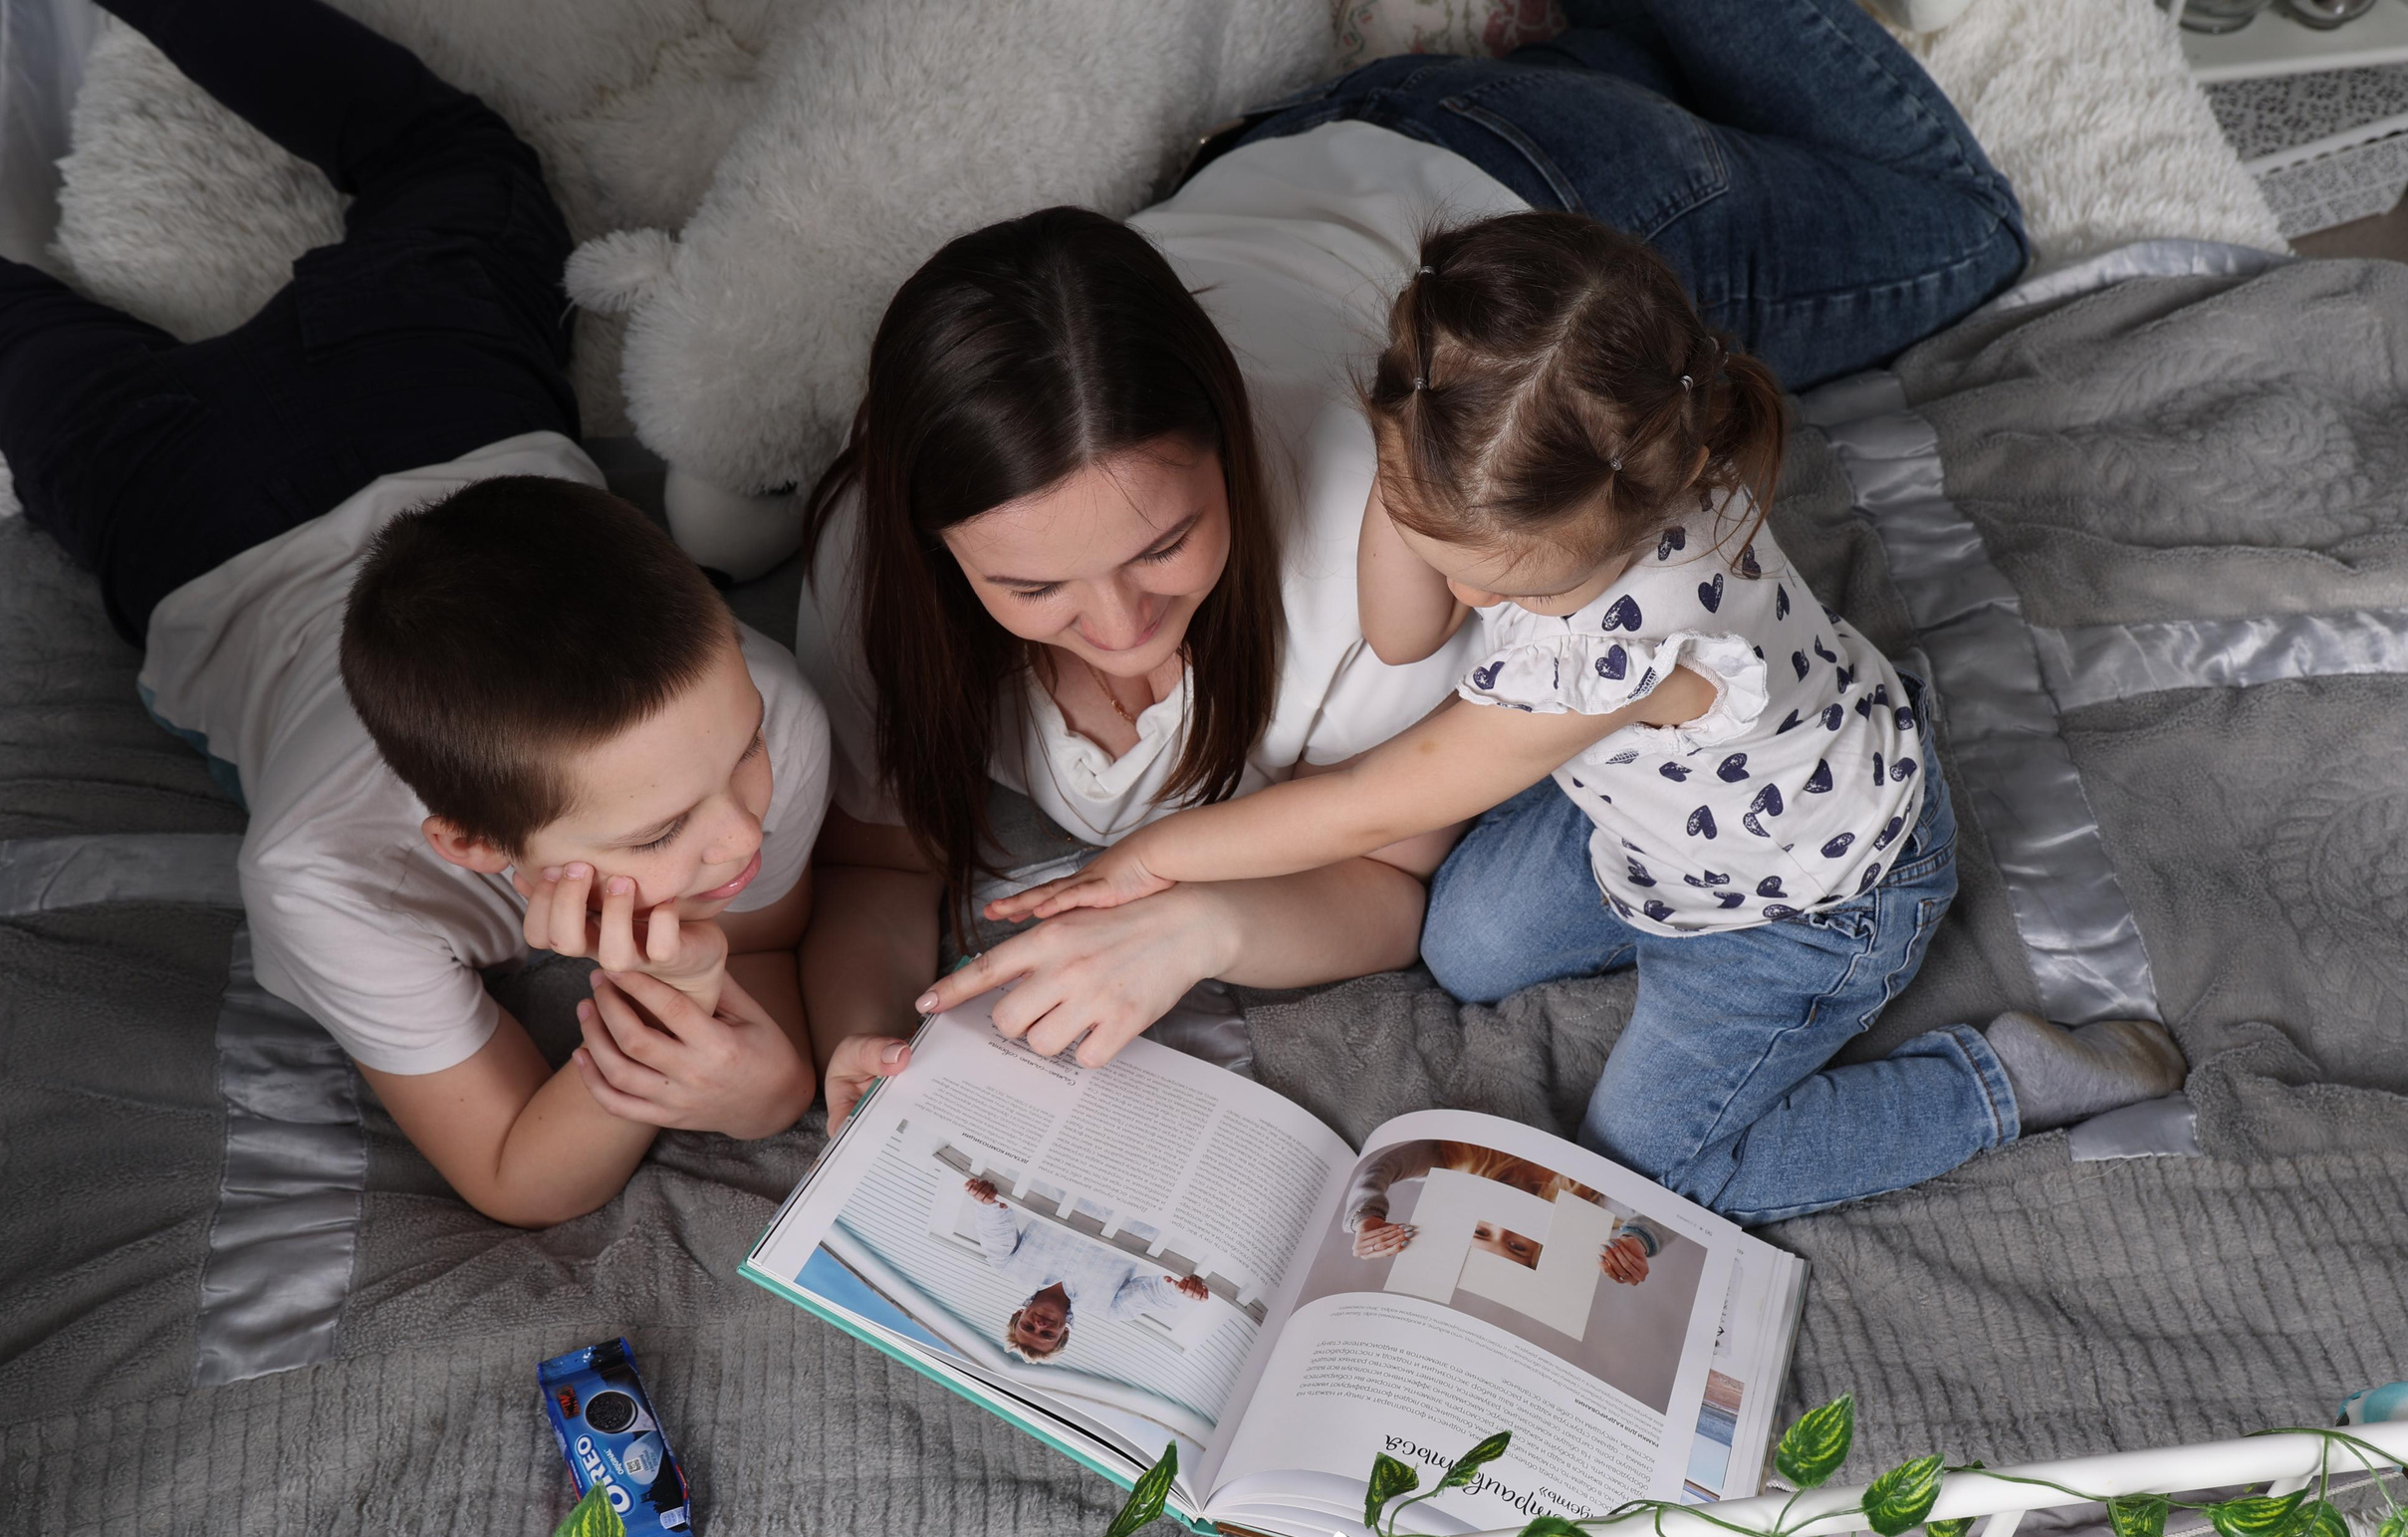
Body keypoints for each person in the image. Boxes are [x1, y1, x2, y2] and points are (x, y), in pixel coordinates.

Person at [797, 0, 2034, 1126]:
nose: (1117, 625)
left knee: (1968, 229)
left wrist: (1177, 892)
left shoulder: (1430, 526)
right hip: (1301, 186)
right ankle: (1557, 58)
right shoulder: (879, 563)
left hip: (1531, 201)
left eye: (1165, 544)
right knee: (1480, 937)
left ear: (1228, 436)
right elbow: (874, 855)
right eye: (1030, 590)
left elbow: (1387, 833)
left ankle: (1596, 63)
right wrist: (863, 1043)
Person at [992, 211, 2190, 1225]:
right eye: (1438, 540)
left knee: (1658, 1170)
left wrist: (1150, 856)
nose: (1464, 600)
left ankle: (1995, 1084)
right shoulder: (1606, 458)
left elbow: (1368, 800)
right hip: (1647, 825)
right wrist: (1408, 481)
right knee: (1463, 946)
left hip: (1802, 906)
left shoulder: (1624, 645)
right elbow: (1405, 630)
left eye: (1500, 586)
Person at [0, 0, 831, 1225]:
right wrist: (717, 1046)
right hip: (197, 508)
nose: (735, 840)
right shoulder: (330, 877)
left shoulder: (769, 705)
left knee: (456, 159)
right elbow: (516, 1177)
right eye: (659, 836)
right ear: (471, 845)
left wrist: (747, 1049)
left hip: (433, 389)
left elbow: (763, 939)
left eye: (744, 753)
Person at [1342, 1141, 1660, 1285]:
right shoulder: (1587, 1203)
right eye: (1517, 1247)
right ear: (1539, 1248)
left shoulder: (1457, 1164)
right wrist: (1638, 1240)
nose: (1502, 1229)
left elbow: (1382, 1167)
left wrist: (1366, 1218)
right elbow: (1657, 1214)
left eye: (1480, 1232)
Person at [962, 1177, 1210, 1361]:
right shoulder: (1109, 1309)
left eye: (1028, 1326)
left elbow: (994, 1225)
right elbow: (1154, 1295)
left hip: (1087, 1177)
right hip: (1149, 1201)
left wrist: (986, 1201)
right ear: (1064, 1332)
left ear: (1020, 1314)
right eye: (1047, 1335)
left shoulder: (1008, 1266)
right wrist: (1182, 1290)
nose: (1040, 1325)